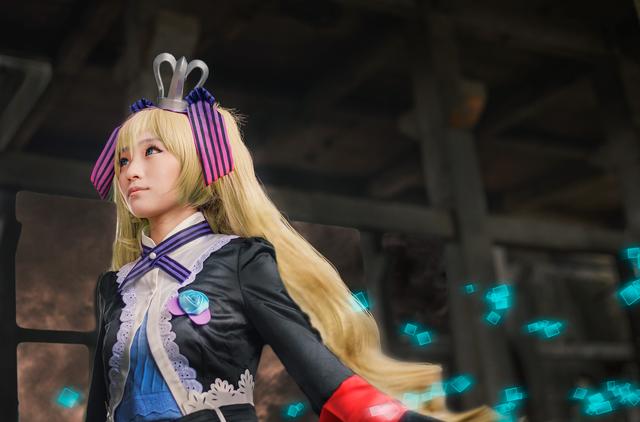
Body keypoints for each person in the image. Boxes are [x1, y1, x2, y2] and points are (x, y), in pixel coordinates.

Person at [85, 53, 493, 422]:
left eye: (151, 151)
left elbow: (317, 371)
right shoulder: (114, 287)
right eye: (123, 159)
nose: (130, 172)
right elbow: (98, 406)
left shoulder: (239, 261)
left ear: (193, 162)